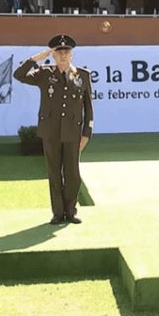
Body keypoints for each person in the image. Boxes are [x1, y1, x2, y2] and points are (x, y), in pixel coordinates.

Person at [14, 34, 93, 224]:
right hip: (51, 131)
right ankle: (58, 213)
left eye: (66, 52)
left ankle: (71, 211)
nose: (63, 56)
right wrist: (36, 59)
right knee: (54, 171)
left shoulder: (82, 75)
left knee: (73, 173)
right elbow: (19, 75)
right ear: (54, 56)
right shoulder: (44, 73)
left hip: (73, 132)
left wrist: (86, 133)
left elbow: (88, 107)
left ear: (72, 55)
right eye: (59, 53)